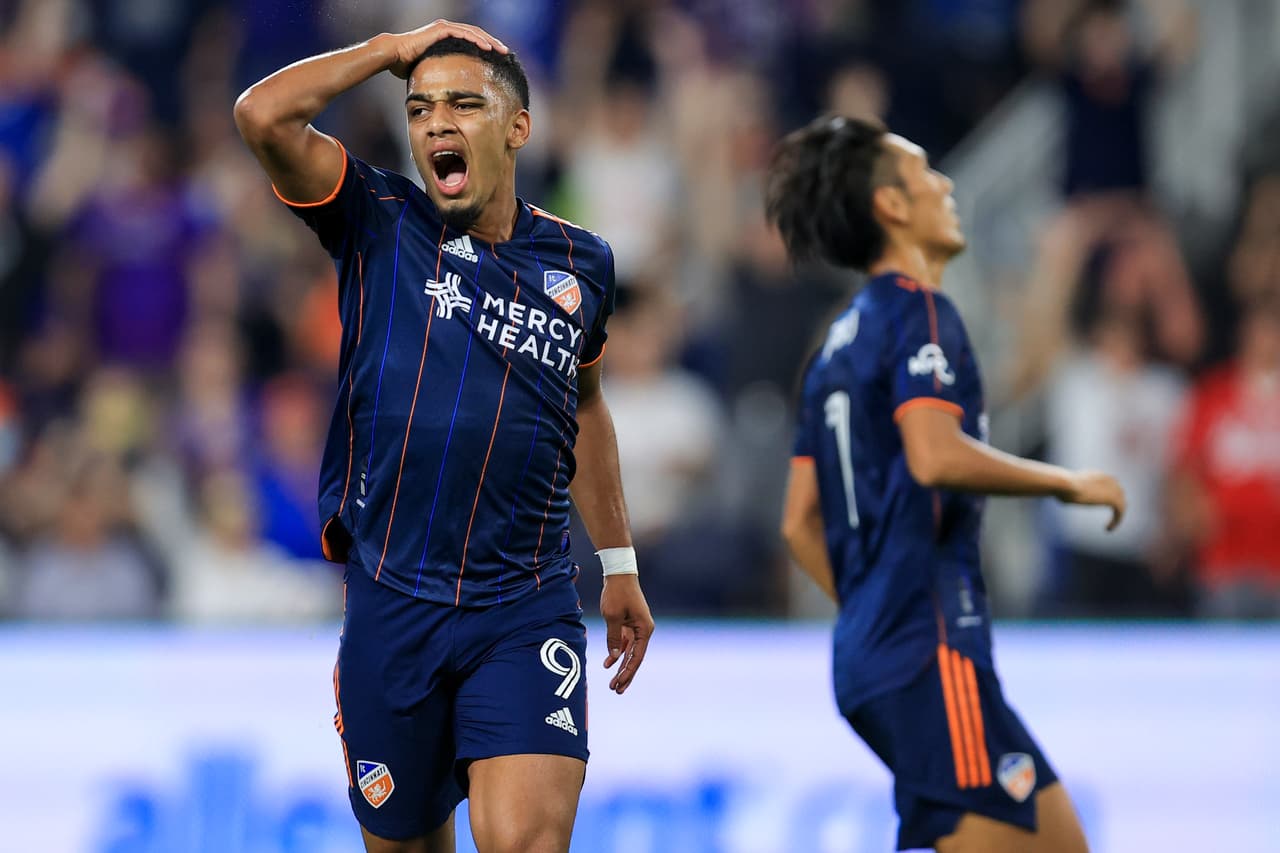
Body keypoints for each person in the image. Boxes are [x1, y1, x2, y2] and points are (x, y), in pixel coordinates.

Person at [233, 19, 654, 853]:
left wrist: (619, 562)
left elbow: (585, 405)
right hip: (394, 601)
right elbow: (261, 116)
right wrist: (389, 48)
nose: (436, 124)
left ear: (518, 127)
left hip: (524, 602)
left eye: (463, 104)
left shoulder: (583, 264)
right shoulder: (377, 217)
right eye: (420, 108)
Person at [767, 115, 1126, 853]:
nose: (946, 185)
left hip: (878, 653)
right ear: (892, 205)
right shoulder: (921, 309)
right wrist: (1065, 483)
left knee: (1058, 841)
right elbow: (932, 454)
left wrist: (870, 607)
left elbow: (798, 522)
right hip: (929, 646)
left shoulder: (834, 347)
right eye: (925, 172)